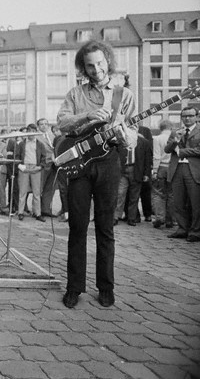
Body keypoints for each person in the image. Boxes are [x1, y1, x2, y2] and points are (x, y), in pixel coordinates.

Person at [57, 40, 137, 309]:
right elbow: (62, 122)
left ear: (108, 62)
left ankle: (106, 287)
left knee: (105, 228)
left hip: (109, 163)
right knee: (77, 226)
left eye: (100, 63)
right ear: (84, 67)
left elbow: (133, 135)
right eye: (90, 65)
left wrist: (126, 137)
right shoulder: (75, 94)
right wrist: (89, 115)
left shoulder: (123, 95)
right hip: (80, 163)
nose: (96, 69)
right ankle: (74, 287)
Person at [164, 107, 200, 242]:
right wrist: (175, 141)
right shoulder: (176, 131)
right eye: (184, 116)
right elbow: (167, 150)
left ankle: (195, 231)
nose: (187, 118)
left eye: (190, 116)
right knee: (178, 202)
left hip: (194, 169)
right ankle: (182, 228)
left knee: (195, 202)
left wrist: (182, 152)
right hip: (177, 168)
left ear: (196, 116)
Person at [114, 134, 152, 226]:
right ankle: (115, 217)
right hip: (122, 170)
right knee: (120, 194)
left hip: (136, 170)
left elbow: (147, 159)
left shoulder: (144, 142)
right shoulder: (120, 140)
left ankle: (132, 218)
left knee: (134, 196)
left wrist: (147, 174)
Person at [14, 124, 48, 222]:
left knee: (36, 192)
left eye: (33, 131)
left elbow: (43, 157)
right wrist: (20, 166)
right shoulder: (22, 144)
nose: (31, 134)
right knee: (22, 191)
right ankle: (21, 212)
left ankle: (37, 213)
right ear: (27, 133)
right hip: (24, 168)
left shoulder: (40, 144)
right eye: (29, 131)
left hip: (35, 168)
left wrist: (40, 166)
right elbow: (17, 156)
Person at [151, 119, 174, 229]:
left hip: (162, 167)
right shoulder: (176, 136)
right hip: (173, 167)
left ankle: (160, 217)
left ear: (160, 127)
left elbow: (156, 156)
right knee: (171, 194)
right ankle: (170, 219)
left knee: (158, 193)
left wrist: (155, 170)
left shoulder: (157, 138)